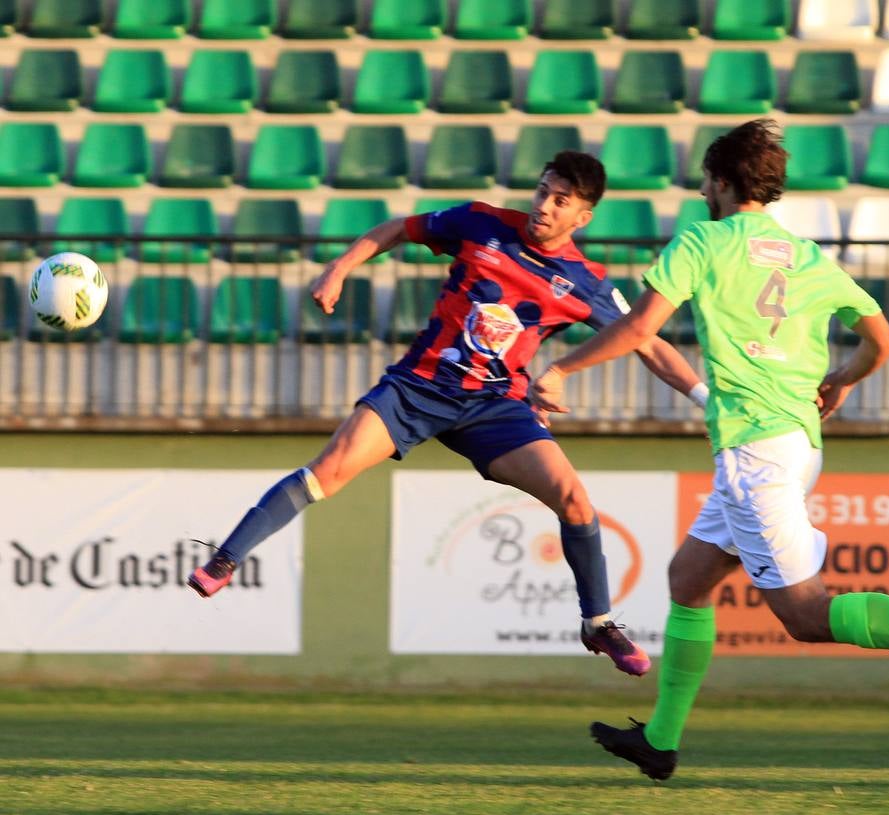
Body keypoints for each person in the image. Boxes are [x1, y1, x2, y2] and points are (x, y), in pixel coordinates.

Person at [532, 120, 889, 780]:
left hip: (754, 453)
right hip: (795, 443)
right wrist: (841, 383)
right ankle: (659, 740)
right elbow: (882, 341)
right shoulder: (806, 256)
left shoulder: (703, 240)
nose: (702, 190)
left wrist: (562, 368)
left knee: (804, 615)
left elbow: (639, 328)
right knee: (687, 580)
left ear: (720, 181)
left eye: (705, 179)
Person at [187, 151, 708, 677]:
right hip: (418, 388)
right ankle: (225, 559)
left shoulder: (583, 281)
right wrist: (340, 268)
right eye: (542, 191)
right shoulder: (481, 222)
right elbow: (397, 229)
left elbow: (648, 342)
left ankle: (597, 622)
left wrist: (705, 399)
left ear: (582, 217)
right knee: (329, 469)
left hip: (495, 408)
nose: (544, 206)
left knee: (573, 498)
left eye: (560, 200)